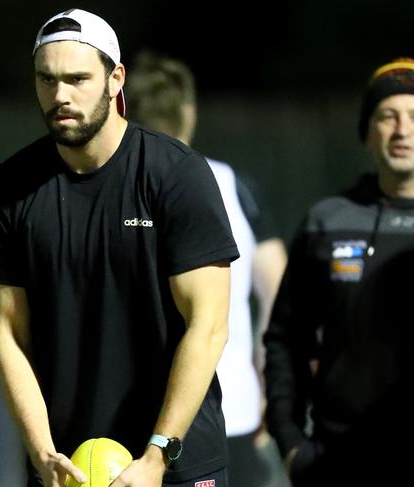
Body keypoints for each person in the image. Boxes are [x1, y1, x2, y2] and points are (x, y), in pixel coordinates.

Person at [0, 9, 240, 487]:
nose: (60, 96)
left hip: (174, 463)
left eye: (77, 79)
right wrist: (41, 452)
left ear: (116, 79)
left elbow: (208, 326)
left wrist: (157, 457)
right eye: (46, 79)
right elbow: (9, 334)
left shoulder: (176, 175)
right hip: (64, 468)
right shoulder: (7, 191)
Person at [263, 57, 414, 487]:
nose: (402, 129)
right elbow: (286, 340)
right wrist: (291, 444)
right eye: (387, 116)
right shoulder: (327, 221)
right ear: (368, 133)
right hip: (342, 464)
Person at [125, 51, 289, 487]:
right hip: (229, 410)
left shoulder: (114, 189)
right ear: (189, 112)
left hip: (135, 419)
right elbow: (278, 281)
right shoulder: (229, 183)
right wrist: (268, 370)